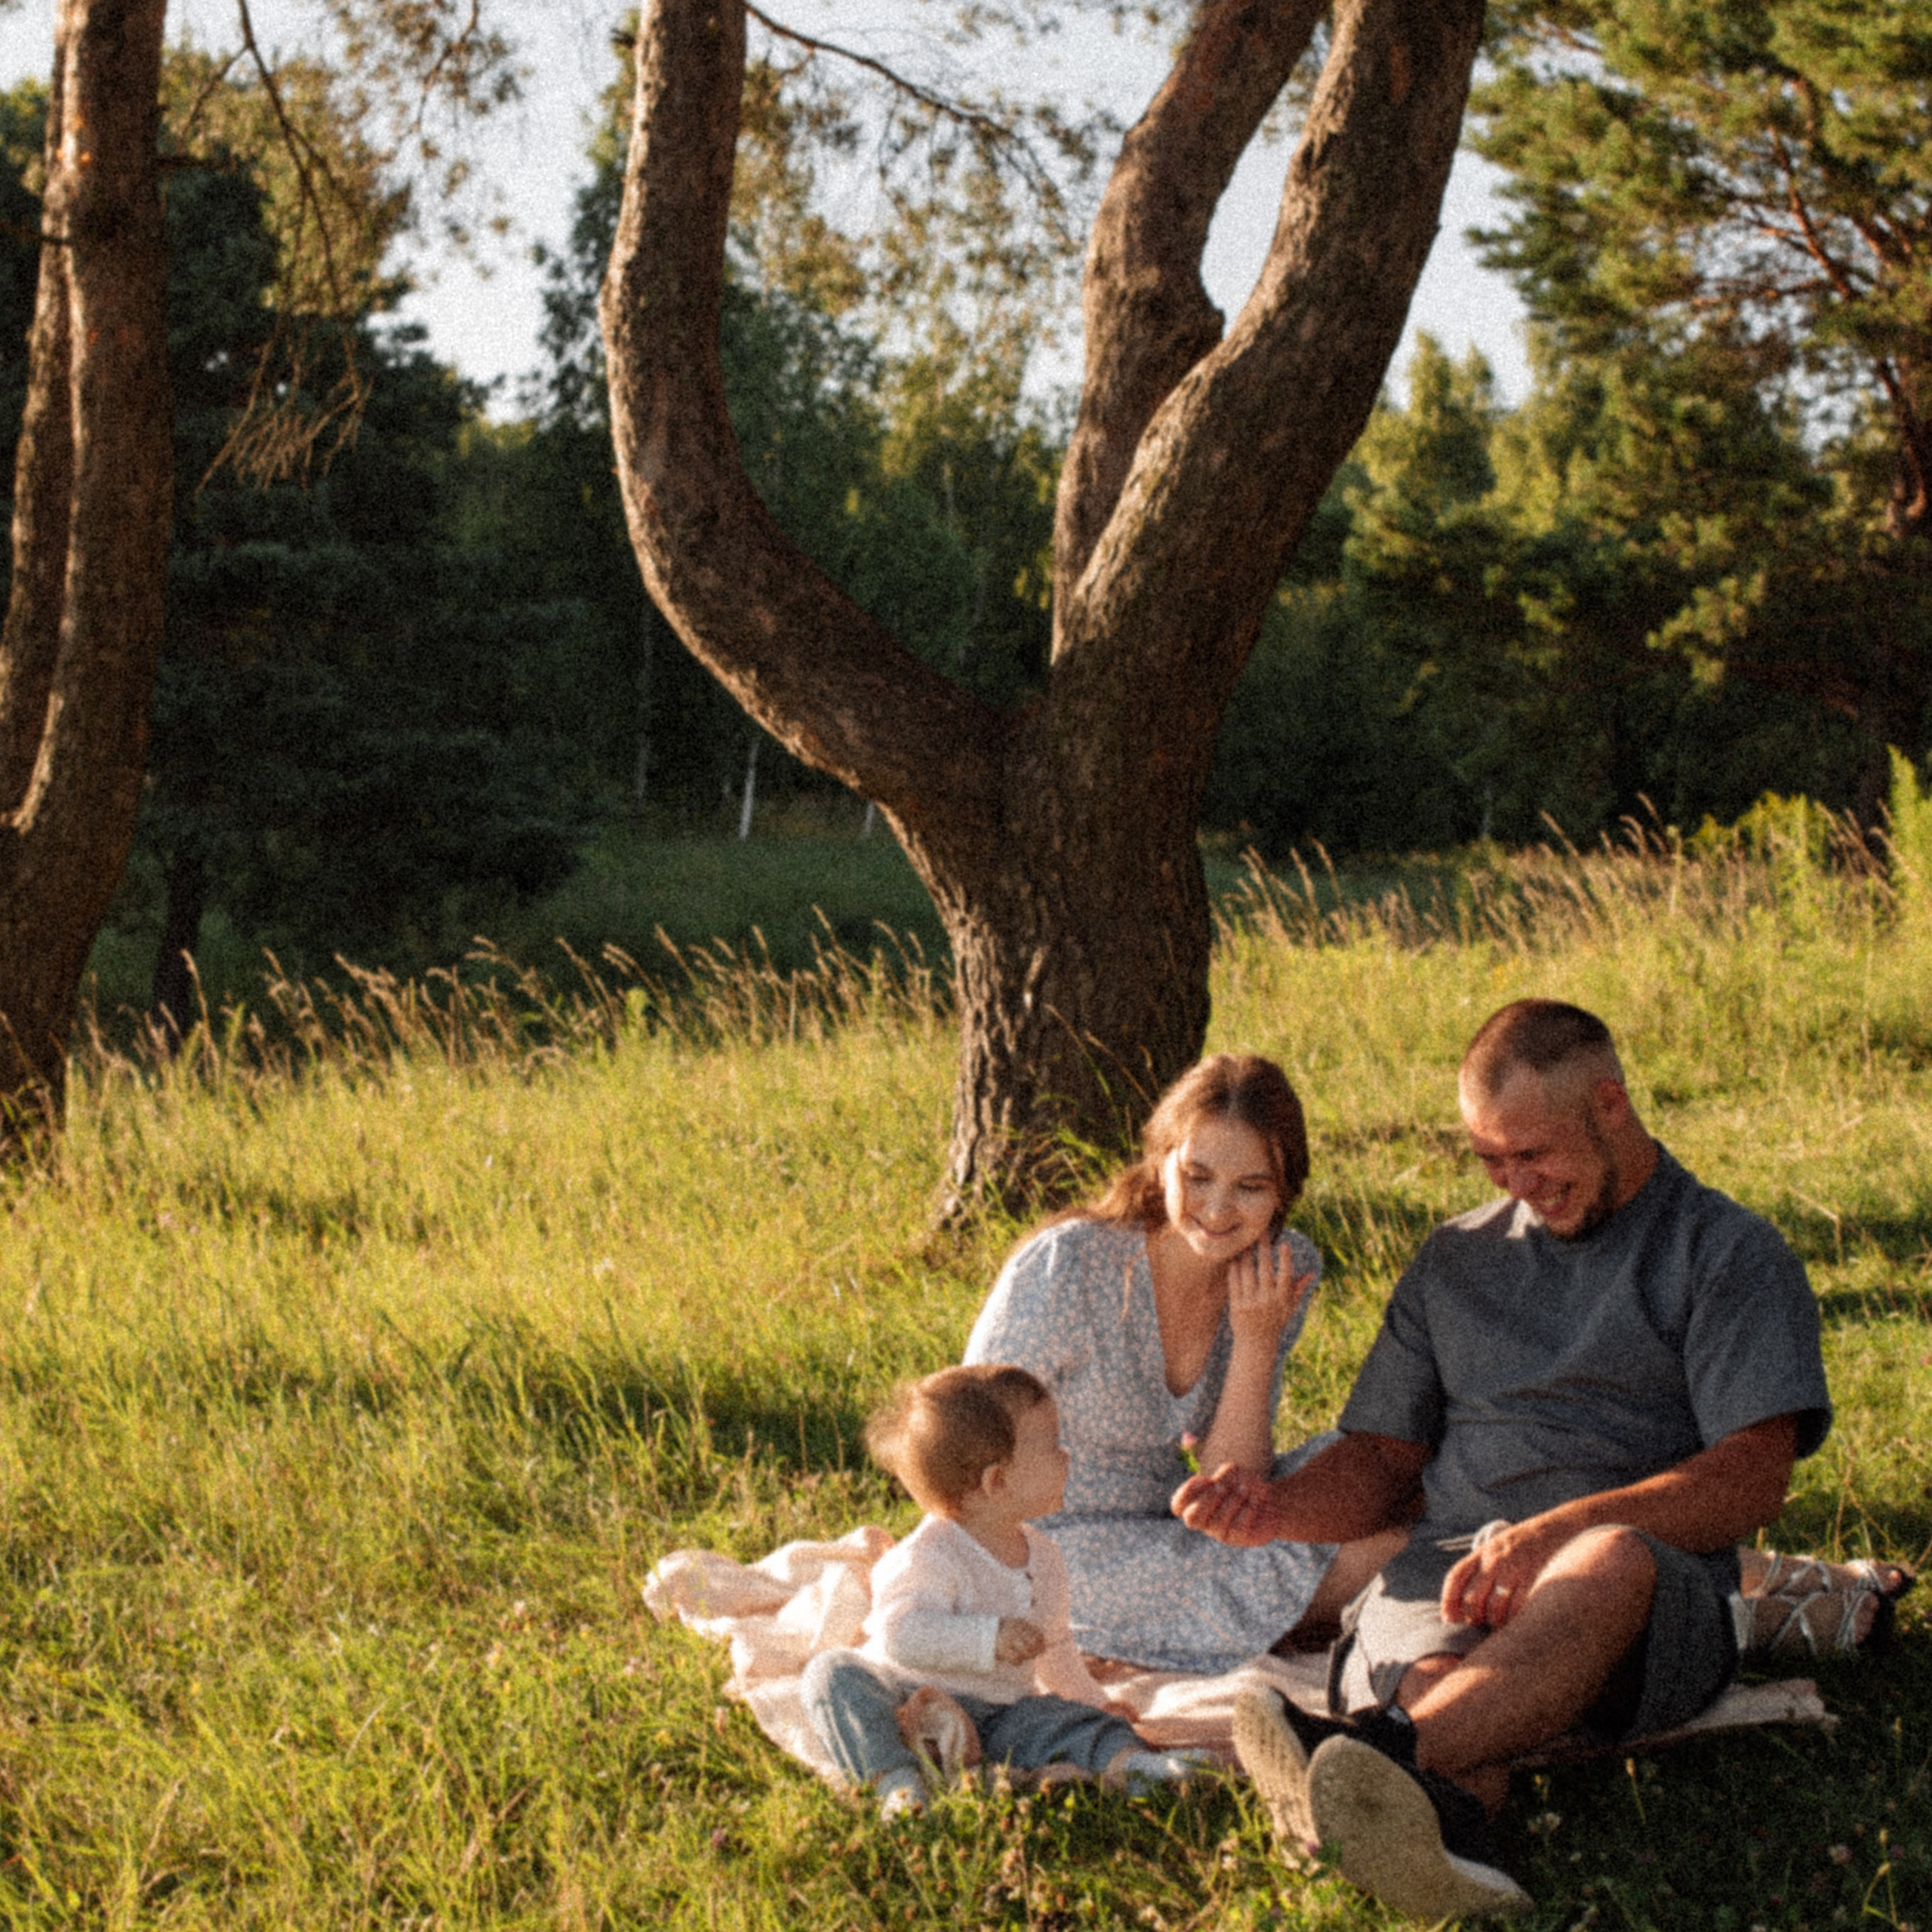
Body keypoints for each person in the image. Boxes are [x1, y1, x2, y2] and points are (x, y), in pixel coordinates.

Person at [1177, 999, 1859, 1921]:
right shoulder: (1453, 1259)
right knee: (1441, 1684)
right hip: (1447, 1580)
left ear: (1610, 1106)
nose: (1514, 1180)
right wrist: (1278, 1507)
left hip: (1637, 1597)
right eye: (1489, 1159)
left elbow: (1751, 1475)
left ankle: (1369, 1757)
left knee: (1603, 1558)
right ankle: (1449, 1839)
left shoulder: (1727, 1253)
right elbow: (1382, 1459)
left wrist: (1556, 1534)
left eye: (1532, 1153)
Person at [963, 1054, 1406, 1674]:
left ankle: (1267, 1618)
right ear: (1161, 1160)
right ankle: (1277, 1621)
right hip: (1051, 1540)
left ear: (1284, 1191)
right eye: (1197, 1176)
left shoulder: (1281, 1266)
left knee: (1359, 1472)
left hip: (1180, 1519)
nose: (1219, 1210)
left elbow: (1233, 1482)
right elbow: (966, 1438)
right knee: (1385, 1555)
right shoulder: (1068, 1268)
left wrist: (1255, 1339)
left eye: (1250, 1187)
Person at [798, 1364, 1204, 1817]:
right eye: (1052, 1446)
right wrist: (989, 1638)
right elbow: (902, 1635)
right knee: (832, 1675)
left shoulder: (1044, 1557)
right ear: (997, 1482)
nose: (1066, 1455)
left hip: (1000, 1717)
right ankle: (897, 1783)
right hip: (909, 1704)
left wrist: (1096, 1703)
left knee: (1068, 1723)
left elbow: (1055, 1648)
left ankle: (1136, 1768)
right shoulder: (928, 1555)